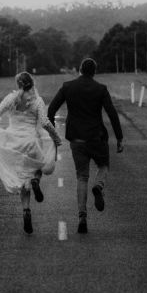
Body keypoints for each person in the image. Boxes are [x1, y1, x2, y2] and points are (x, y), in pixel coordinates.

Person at [0, 72, 62, 234]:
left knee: (22, 178)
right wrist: (56, 137)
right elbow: (45, 122)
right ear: (32, 83)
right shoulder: (37, 101)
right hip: (31, 142)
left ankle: (26, 210)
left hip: (14, 142)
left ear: (18, 84)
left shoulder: (11, 99)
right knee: (39, 167)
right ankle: (35, 181)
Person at [47, 58, 124, 234]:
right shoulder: (101, 89)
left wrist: (53, 135)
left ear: (80, 70)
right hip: (96, 138)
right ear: (94, 71)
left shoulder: (67, 87)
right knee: (103, 166)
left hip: (77, 140)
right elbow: (112, 113)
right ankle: (99, 186)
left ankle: (82, 217)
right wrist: (119, 137)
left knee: (82, 177)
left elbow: (50, 111)